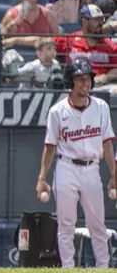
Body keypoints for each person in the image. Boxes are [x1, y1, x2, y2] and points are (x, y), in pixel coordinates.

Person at [36, 58, 116, 268]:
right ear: (70, 82)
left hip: (92, 168)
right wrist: (41, 177)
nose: (85, 84)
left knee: (97, 224)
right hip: (66, 168)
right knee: (66, 224)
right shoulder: (57, 111)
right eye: (80, 79)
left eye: (88, 79)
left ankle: (103, 266)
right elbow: (50, 146)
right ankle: (68, 268)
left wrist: (114, 174)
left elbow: (107, 144)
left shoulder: (101, 107)